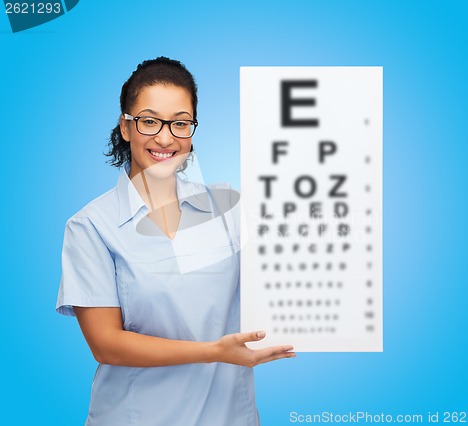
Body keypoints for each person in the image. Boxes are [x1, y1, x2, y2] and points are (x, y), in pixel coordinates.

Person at [56, 57, 295, 426]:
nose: (166, 138)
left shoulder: (229, 206)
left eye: (180, 123)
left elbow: (291, 260)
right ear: (125, 126)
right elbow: (106, 344)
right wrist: (214, 352)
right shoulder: (91, 226)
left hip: (230, 416)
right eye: (150, 121)